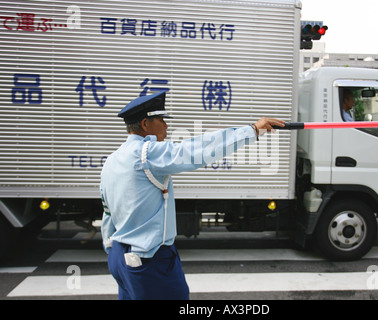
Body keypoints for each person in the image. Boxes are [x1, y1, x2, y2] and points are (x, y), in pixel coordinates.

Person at [100, 91, 285, 300]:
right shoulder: (147, 153)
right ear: (145, 124)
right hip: (149, 259)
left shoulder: (112, 160)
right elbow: (197, 149)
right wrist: (252, 130)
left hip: (119, 256)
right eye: (161, 120)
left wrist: (111, 248)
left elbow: (108, 212)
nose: (166, 126)